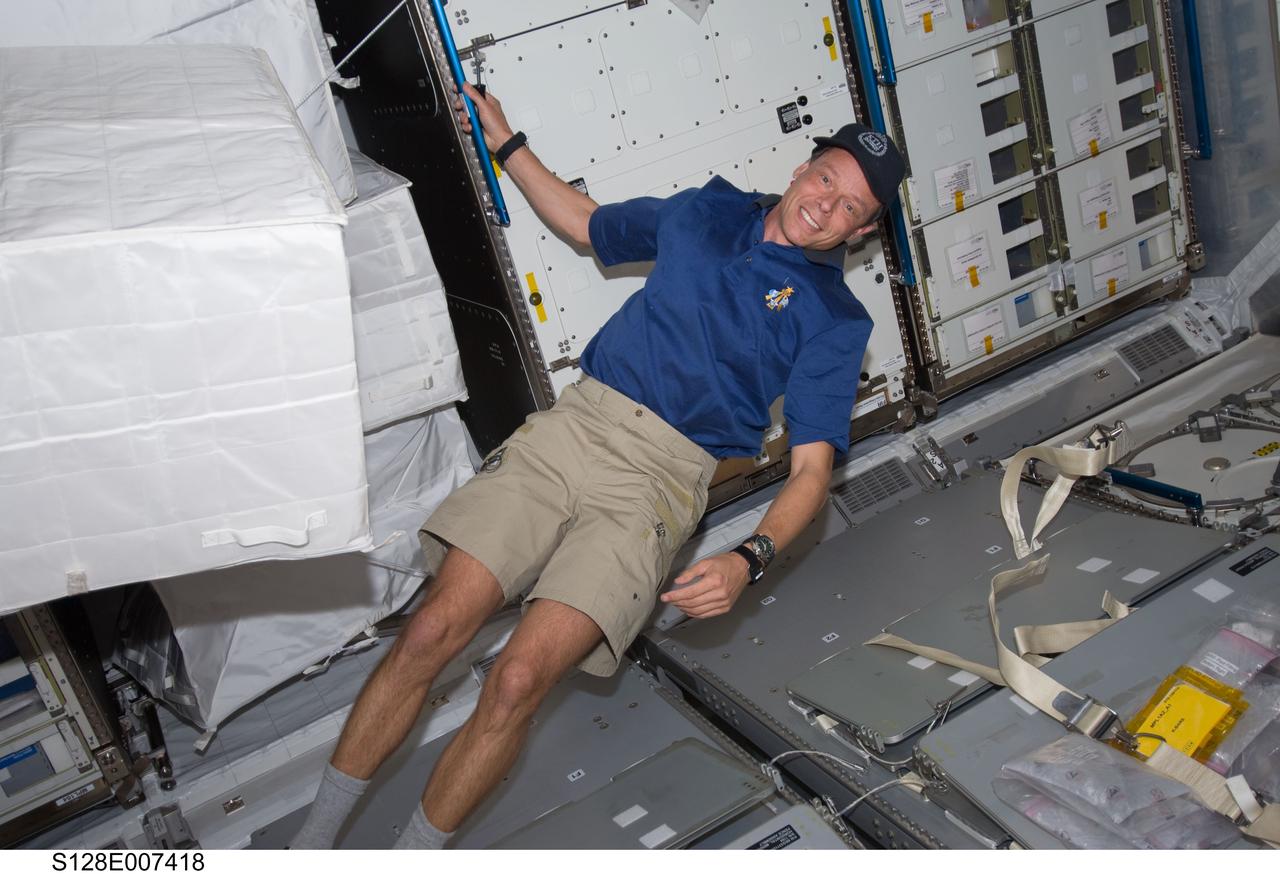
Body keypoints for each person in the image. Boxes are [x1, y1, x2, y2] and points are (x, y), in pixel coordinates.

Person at [290, 82, 905, 850]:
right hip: (576, 428)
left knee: (517, 682)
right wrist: (508, 145)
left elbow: (812, 473)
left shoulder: (836, 322)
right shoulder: (706, 210)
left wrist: (751, 557)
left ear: (862, 230)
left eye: (850, 207)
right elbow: (588, 223)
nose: (826, 205)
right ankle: (309, 848)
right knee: (431, 631)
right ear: (802, 168)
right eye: (827, 179)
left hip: (657, 485)